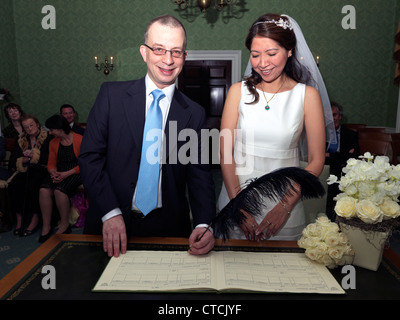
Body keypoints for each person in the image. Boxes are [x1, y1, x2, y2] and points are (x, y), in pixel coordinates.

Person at [78, 15, 216, 257]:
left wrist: (204, 223)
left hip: (169, 228)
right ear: (144, 52)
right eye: (159, 49)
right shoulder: (111, 96)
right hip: (110, 223)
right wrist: (110, 212)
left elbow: (199, 174)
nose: (168, 60)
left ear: (185, 56)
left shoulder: (194, 113)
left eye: (176, 51)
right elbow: (90, 158)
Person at [218, 13, 331, 241]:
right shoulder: (237, 92)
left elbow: (316, 160)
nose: (262, 63)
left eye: (271, 53)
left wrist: (284, 207)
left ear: (289, 51)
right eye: (255, 55)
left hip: (285, 203)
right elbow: (225, 152)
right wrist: (239, 205)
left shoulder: (307, 96)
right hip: (236, 197)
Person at [39, 115, 83, 243]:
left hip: (76, 171)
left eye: (52, 129)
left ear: (60, 129)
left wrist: (66, 174)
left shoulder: (79, 139)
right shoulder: (53, 142)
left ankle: (64, 224)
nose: (50, 132)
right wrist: (53, 173)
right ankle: (46, 226)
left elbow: (85, 164)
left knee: (59, 190)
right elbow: (51, 163)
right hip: (60, 171)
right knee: (44, 190)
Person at [7, 114, 52, 236]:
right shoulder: (21, 139)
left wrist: (35, 156)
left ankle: (35, 217)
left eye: (31, 125)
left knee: (33, 184)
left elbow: (50, 157)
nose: (29, 129)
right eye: (26, 127)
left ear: (37, 124)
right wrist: (23, 159)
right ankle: (20, 219)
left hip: (41, 170)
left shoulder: (47, 137)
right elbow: (13, 160)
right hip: (25, 170)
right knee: (14, 185)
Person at [325, 101, 360, 219]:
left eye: (334, 115)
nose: (331, 118)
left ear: (340, 116)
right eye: (328, 116)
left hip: (343, 173)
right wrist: (343, 156)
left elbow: (354, 157)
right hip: (325, 172)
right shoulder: (320, 133)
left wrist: (330, 156)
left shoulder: (351, 135)